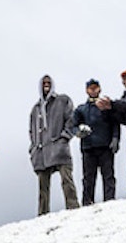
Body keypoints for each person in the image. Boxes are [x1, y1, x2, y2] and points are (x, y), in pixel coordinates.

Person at [28, 75, 79, 215]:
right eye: (43, 83)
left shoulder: (62, 100)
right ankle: (42, 214)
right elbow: (32, 130)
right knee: (43, 187)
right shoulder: (36, 109)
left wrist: (65, 137)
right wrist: (33, 148)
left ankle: (73, 208)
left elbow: (71, 120)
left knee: (66, 179)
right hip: (41, 151)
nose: (46, 85)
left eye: (48, 83)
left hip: (59, 147)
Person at [71, 78, 121, 205]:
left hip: (105, 146)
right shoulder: (81, 109)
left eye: (95, 87)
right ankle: (87, 203)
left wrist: (115, 139)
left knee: (108, 176)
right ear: (86, 90)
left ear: (99, 89)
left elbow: (115, 123)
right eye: (90, 88)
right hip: (88, 148)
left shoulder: (106, 106)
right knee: (88, 178)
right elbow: (73, 125)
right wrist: (78, 131)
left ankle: (110, 201)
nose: (93, 90)